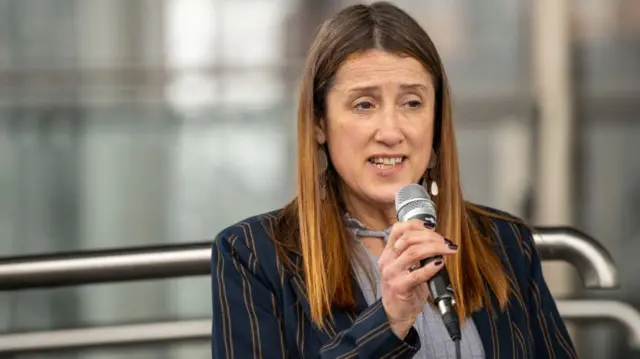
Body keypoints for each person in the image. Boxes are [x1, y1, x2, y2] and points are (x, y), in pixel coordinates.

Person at [211, 2, 578, 358]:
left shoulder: (506, 243)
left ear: (436, 123)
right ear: (319, 123)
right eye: (364, 105)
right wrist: (387, 322)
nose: (391, 131)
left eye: (412, 103)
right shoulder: (251, 256)